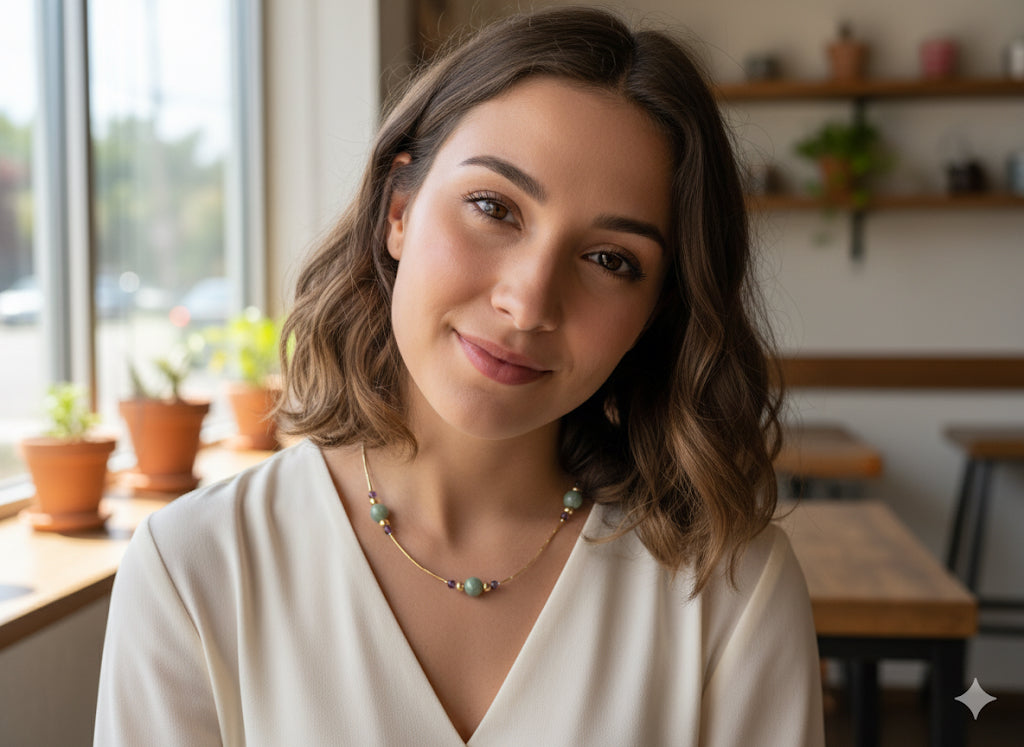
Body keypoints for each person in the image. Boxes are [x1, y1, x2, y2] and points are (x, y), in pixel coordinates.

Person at [95, 7, 824, 746]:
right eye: (493, 207)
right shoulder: (195, 569)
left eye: (610, 259)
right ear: (399, 210)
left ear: (656, 311)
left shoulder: (730, 589)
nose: (528, 303)